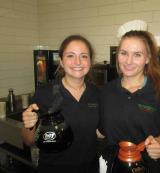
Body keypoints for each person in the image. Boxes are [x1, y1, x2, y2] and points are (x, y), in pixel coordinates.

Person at [99, 30, 160, 173]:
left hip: (148, 165)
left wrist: (157, 143)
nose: (129, 61)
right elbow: (100, 130)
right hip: (111, 165)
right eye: (124, 53)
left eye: (137, 55)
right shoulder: (106, 92)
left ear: (147, 58)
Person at [21, 35, 100, 173]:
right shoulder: (45, 92)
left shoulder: (97, 93)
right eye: (70, 56)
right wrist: (29, 125)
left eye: (83, 56)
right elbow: (28, 141)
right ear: (62, 61)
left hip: (90, 168)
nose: (78, 62)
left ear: (90, 61)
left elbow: (98, 132)